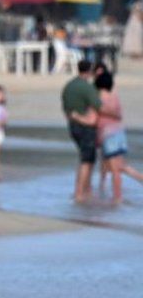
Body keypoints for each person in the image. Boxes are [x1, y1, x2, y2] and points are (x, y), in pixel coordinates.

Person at [82, 72, 143, 204]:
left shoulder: (98, 98)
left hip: (108, 134)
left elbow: (94, 118)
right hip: (119, 132)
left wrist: (77, 118)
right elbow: (118, 114)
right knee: (119, 166)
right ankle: (137, 180)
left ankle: (117, 198)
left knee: (115, 169)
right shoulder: (114, 96)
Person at [61, 60, 102, 203]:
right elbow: (98, 105)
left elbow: (65, 107)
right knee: (87, 159)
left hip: (72, 126)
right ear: (89, 71)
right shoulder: (87, 87)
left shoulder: (69, 86)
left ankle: (84, 189)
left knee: (84, 158)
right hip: (85, 126)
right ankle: (80, 192)